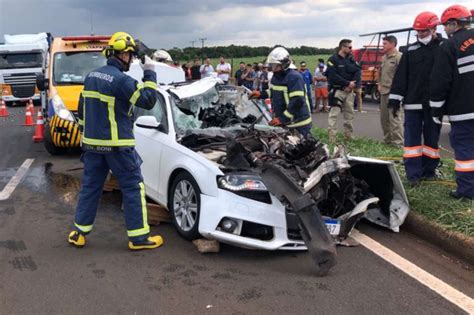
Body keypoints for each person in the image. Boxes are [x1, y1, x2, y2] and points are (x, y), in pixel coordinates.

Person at [68, 32, 163, 250]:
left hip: (92, 146)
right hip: (117, 146)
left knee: (90, 188)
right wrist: (150, 74)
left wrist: (86, 134)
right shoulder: (121, 80)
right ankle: (139, 238)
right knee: (133, 188)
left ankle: (79, 233)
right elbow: (148, 101)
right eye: (130, 55)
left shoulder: (92, 76)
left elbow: (82, 109)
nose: (131, 59)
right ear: (122, 55)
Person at [388, 12, 447, 186]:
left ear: (434, 28)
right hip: (413, 103)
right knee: (412, 141)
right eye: (418, 32)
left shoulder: (444, 47)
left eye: (424, 31)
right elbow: (401, 77)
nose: (421, 35)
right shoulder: (410, 51)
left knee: (432, 139)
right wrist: (394, 100)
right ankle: (413, 175)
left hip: (434, 104)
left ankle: (429, 171)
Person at [430, 4, 474, 199]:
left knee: (465, 149)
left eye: (445, 26)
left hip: (463, 109)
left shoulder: (449, 45)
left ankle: (467, 191)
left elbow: (440, 81)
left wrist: (436, 108)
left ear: (454, 23)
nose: (444, 30)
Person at [249, 47, 313, 137]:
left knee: (302, 149)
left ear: (284, 64)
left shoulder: (294, 77)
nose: (273, 68)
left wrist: (282, 118)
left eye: (276, 65)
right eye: (272, 65)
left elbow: (297, 101)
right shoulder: (277, 76)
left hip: (298, 124)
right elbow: (274, 91)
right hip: (286, 122)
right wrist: (261, 94)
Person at [326, 39, 361, 142]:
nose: (351, 49)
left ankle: (348, 135)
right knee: (334, 114)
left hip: (349, 91)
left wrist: (352, 84)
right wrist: (347, 83)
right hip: (338, 91)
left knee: (349, 115)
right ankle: (332, 137)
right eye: (349, 47)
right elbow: (332, 76)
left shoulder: (351, 60)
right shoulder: (333, 59)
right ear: (343, 47)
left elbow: (358, 71)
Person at [378, 35, 403, 147]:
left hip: (394, 93)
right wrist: (379, 83)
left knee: (394, 118)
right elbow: (380, 73)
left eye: (385, 43)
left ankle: (398, 143)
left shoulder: (399, 57)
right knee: (384, 119)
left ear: (392, 44)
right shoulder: (384, 58)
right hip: (383, 91)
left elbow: (403, 75)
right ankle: (387, 141)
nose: (382, 45)